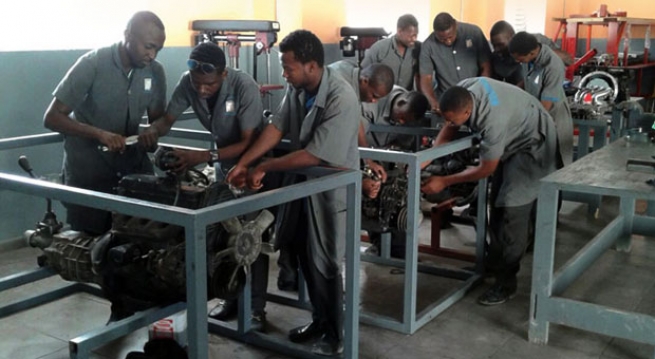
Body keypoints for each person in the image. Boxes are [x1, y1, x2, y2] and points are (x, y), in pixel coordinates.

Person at [225, 29, 360, 356]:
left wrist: (267, 167)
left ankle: (334, 334)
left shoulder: (341, 97)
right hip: (302, 187)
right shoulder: (298, 89)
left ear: (311, 65)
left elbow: (315, 154)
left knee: (326, 263)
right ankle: (318, 320)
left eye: (289, 66)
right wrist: (246, 162)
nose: (284, 72)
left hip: (331, 193)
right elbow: (277, 127)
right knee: (301, 252)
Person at [140, 42, 268, 331]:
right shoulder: (189, 83)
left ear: (223, 75)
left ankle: (256, 309)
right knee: (225, 235)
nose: (201, 90)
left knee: (249, 235)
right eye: (197, 83)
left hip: (252, 165)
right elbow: (167, 119)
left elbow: (249, 141)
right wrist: (152, 132)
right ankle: (230, 297)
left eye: (208, 84)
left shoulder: (243, 85)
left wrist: (202, 157)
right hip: (224, 165)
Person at [420, 77, 558, 306]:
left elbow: (486, 169)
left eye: (454, 119)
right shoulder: (463, 89)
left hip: (532, 146)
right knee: (497, 206)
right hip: (513, 137)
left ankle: (506, 283)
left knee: (511, 211)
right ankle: (493, 265)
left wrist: (444, 181)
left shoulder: (492, 120)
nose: (449, 123)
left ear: (467, 111)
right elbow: (449, 126)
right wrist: (428, 157)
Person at [43, 11, 167, 235]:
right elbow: (52, 117)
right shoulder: (93, 64)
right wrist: (100, 134)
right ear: (127, 35)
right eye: (148, 46)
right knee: (94, 249)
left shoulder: (155, 72)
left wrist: (153, 131)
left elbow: (157, 118)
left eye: (157, 49)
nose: (152, 55)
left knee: (145, 242)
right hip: (91, 175)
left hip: (134, 172)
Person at [509, 31, 574, 167]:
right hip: (535, 112)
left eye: (520, 59)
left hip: (552, 117)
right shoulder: (529, 56)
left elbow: (545, 106)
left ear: (531, 53)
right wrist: (509, 92)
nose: (518, 62)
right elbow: (527, 79)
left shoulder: (553, 66)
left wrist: (523, 126)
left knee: (552, 164)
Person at [328, 59, 394, 181]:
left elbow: (356, 121)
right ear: (365, 81)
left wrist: (368, 160)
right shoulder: (341, 88)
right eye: (374, 96)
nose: (374, 101)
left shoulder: (353, 76)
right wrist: (361, 179)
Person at [418, 12, 492, 114]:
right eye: (442, 39)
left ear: (455, 25)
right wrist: (433, 102)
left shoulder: (474, 33)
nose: (448, 41)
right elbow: (426, 79)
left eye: (450, 37)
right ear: (435, 33)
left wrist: (483, 94)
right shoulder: (428, 46)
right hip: (447, 102)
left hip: (476, 97)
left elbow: (486, 67)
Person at [489, 20, 574, 86]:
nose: (497, 49)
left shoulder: (536, 41)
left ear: (512, 36)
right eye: (494, 45)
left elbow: (568, 60)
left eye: (500, 44)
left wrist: (540, 52)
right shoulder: (497, 59)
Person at [361, 14, 421, 91]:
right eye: (411, 36)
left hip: (404, 99)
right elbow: (363, 75)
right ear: (399, 31)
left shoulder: (418, 49)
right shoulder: (379, 48)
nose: (414, 39)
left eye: (416, 35)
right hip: (380, 99)